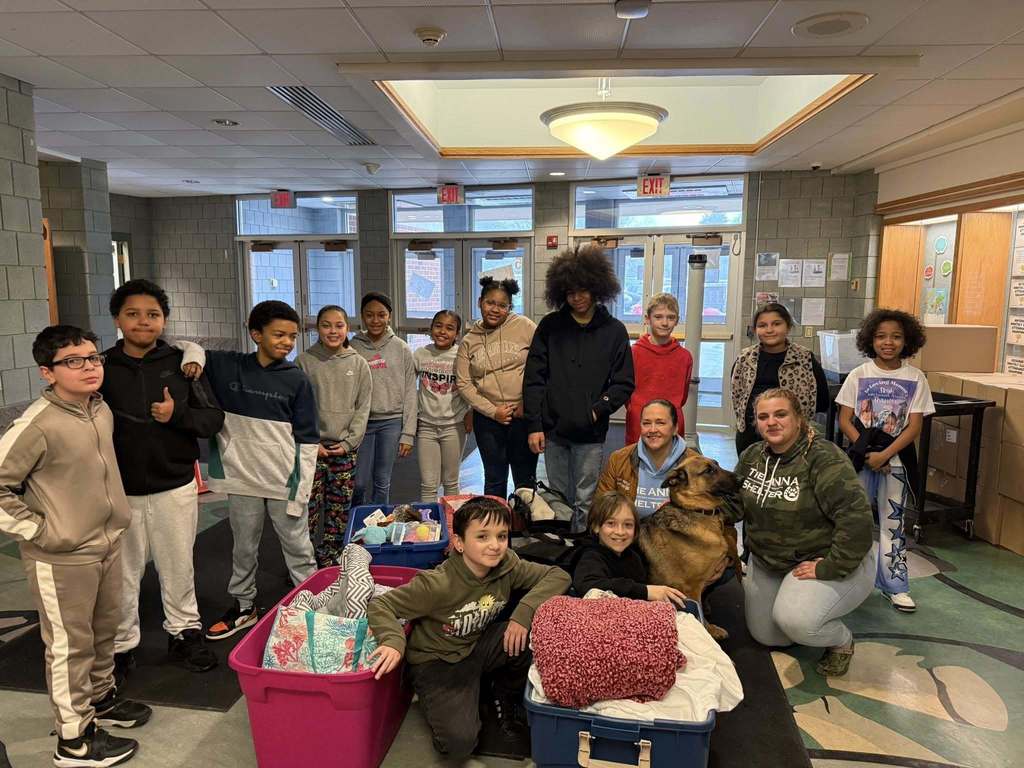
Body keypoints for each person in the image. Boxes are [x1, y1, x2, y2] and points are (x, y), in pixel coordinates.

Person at [0, 325, 152, 767]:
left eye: (94, 357)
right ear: (47, 372)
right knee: (70, 646)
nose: (89, 367)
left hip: (104, 545)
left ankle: (100, 702)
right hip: (60, 556)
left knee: (103, 634)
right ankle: (74, 741)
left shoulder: (97, 409)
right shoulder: (37, 424)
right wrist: (42, 532)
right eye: (74, 361)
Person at [366, 497, 570, 759]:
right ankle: (460, 697)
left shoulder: (508, 564)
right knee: (459, 745)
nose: (495, 546)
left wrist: (523, 614)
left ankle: (503, 692)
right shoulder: (436, 584)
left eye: (502, 536)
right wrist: (393, 641)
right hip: (438, 663)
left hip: (477, 646)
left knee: (536, 634)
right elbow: (381, 605)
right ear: (459, 543)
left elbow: (558, 576)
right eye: (482, 537)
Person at [102, 279, 223, 682]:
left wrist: (178, 417)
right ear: (117, 318)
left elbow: (211, 419)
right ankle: (121, 647)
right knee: (122, 572)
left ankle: (184, 632)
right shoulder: (100, 368)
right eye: (133, 314)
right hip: (120, 490)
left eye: (152, 314)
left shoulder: (183, 364)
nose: (143, 322)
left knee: (178, 564)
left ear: (164, 319)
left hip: (175, 484)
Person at [722, 388, 875, 677]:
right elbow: (735, 506)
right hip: (771, 562)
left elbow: (857, 520)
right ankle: (798, 607)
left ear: (798, 418)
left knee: (797, 622)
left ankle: (841, 641)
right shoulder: (752, 456)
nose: (772, 422)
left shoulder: (824, 458)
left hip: (821, 559)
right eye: (763, 417)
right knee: (769, 636)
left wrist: (833, 565)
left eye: (781, 414)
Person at [194, 301, 320, 641]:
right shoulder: (227, 366)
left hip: (284, 483)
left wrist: (301, 490)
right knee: (243, 547)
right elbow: (184, 348)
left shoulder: (297, 381)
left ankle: (312, 607)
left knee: (298, 547)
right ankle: (244, 606)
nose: (287, 342)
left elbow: (308, 441)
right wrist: (192, 358)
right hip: (242, 479)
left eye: (293, 336)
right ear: (255, 334)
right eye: (279, 334)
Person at [524, 245, 635, 531]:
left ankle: (584, 550)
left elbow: (624, 382)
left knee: (586, 499)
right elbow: (534, 378)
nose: (577, 298)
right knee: (557, 498)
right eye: (570, 292)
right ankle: (560, 549)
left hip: (591, 432)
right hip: (553, 430)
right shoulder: (550, 326)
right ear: (561, 293)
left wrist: (599, 410)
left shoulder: (614, 331)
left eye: (583, 290)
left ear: (597, 288)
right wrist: (534, 425)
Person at [837, 309, 933, 614]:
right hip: (861, 461)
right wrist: (866, 452)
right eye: (880, 336)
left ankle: (895, 586)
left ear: (907, 341)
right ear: (870, 340)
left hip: (896, 464)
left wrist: (885, 455)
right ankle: (850, 581)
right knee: (855, 522)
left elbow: (914, 427)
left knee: (892, 524)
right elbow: (845, 419)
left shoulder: (915, 378)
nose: (888, 342)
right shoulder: (859, 374)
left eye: (896, 336)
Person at [296, 305, 371, 567]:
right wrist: (310, 442)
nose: (333, 331)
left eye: (339, 325)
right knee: (307, 510)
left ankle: (329, 560)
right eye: (326, 325)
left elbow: (363, 407)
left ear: (347, 329)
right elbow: (297, 407)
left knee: (339, 510)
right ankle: (303, 563)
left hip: (344, 451)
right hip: (311, 450)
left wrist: (349, 443)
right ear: (318, 328)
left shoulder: (358, 363)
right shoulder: (304, 362)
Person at [455, 277, 538, 499]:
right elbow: (464, 382)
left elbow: (543, 366)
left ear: (510, 307)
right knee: (494, 477)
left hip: (521, 415)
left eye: (502, 305)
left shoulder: (525, 327)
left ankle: (526, 530)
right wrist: (492, 411)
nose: (495, 309)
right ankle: (496, 527)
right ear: (479, 302)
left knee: (525, 478)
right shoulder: (469, 340)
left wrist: (527, 403)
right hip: (488, 419)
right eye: (490, 303)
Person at [730, 302, 830, 454]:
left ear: (788, 326)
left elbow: (822, 401)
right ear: (755, 329)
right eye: (762, 325)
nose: (769, 330)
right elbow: (737, 395)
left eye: (776, 324)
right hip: (751, 436)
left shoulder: (804, 359)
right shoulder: (745, 359)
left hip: (793, 437)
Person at [350, 292, 417, 506]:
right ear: (362, 316)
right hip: (362, 423)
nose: (375, 320)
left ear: (389, 316)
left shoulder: (401, 349)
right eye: (369, 315)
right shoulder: (354, 347)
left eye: (381, 315)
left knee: (382, 481)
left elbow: (410, 392)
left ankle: (380, 526)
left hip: (391, 422)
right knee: (358, 482)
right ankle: (353, 525)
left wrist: (408, 433)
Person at [572, 491, 686, 606]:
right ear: (596, 526)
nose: (620, 532)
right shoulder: (591, 556)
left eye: (628, 525)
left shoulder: (633, 557)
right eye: (611, 523)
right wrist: (645, 591)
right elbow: (588, 585)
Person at [415, 309, 472, 502]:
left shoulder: (461, 356)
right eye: (438, 326)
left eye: (450, 328)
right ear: (431, 329)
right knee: (428, 484)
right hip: (426, 427)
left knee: (451, 481)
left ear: (457, 334)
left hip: (454, 426)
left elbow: (472, 385)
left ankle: (451, 525)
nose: (442, 331)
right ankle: (427, 529)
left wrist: (471, 412)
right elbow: (406, 387)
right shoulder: (421, 354)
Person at [597, 399, 689, 517]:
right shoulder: (619, 459)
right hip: (628, 533)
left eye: (660, 423)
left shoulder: (695, 465)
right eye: (646, 423)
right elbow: (601, 508)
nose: (652, 430)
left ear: (675, 428)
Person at [624, 292, 693, 445]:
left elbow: (683, 396)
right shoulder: (633, 353)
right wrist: (635, 409)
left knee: (672, 465)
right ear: (647, 319)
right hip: (640, 420)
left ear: (677, 321)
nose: (665, 323)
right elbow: (626, 391)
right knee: (637, 465)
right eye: (658, 317)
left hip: (671, 422)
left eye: (671, 317)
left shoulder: (684, 356)